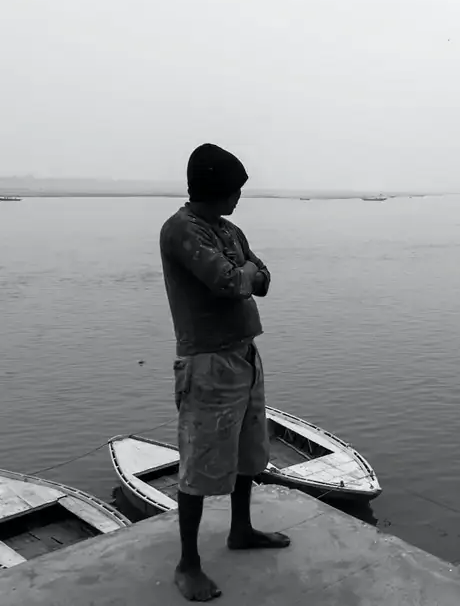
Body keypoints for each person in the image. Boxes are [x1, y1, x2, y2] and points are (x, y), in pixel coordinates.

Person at [160, 144, 289, 602]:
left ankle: (242, 529)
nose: (238, 198)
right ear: (216, 189)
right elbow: (231, 282)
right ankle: (188, 564)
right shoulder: (180, 231)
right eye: (234, 190)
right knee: (199, 464)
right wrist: (245, 273)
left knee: (247, 453)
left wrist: (247, 272)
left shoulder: (228, 230)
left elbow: (264, 279)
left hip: (244, 356)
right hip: (207, 363)